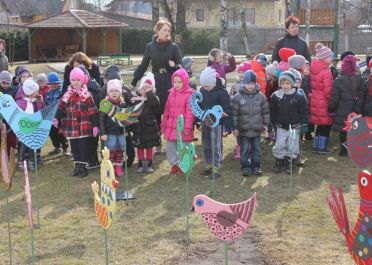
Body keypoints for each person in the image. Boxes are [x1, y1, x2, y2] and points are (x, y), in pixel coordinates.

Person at [131, 19, 182, 154]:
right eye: (164, 30)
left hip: (171, 83)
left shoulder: (174, 47)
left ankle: (174, 141)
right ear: (158, 31)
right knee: (156, 112)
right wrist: (134, 80)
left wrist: (174, 66)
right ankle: (157, 142)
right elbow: (143, 65)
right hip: (155, 83)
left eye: (168, 31)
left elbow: (181, 67)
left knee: (171, 113)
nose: (166, 33)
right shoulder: (150, 47)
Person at [54, 67, 98, 178]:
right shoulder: (67, 94)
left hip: (83, 126)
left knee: (83, 147)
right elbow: (61, 108)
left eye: (78, 80)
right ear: (70, 80)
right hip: (71, 127)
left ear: (82, 80)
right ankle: (77, 166)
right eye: (73, 80)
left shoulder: (87, 94)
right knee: (74, 148)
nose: (76, 82)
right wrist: (56, 118)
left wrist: (95, 126)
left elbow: (93, 111)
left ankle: (83, 167)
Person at [232, 70, 270, 176]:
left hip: (257, 130)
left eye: (252, 83)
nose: (250, 86)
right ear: (243, 83)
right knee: (244, 150)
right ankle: (245, 167)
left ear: (255, 83)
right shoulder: (237, 97)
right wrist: (235, 127)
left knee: (257, 150)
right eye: (248, 83)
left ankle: (256, 167)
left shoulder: (261, 97)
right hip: (243, 130)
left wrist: (266, 125)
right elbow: (234, 114)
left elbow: (265, 112)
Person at [270, 71, 308, 174]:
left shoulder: (298, 97)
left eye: (287, 83)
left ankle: (289, 162)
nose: (284, 86)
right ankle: (279, 160)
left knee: (292, 145)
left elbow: (304, 111)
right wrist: (272, 124)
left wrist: (304, 124)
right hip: (280, 125)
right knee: (280, 144)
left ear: (292, 84)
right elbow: (272, 112)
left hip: (294, 126)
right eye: (282, 83)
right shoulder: (275, 96)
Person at [199, 67, 232, 179]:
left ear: (214, 83)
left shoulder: (222, 93)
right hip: (205, 122)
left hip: (217, 124)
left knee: (216, 145)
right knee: (206, 144)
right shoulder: (202, 91)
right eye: (203, 86)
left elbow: (227, 109)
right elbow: (199, 107)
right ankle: (209, 164)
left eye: (207, 86)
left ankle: (216, 166)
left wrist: (228, 126)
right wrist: (198, 121)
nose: (205, 88)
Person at [100, 64, 136, 167]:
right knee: (125, 139)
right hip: (123, 121)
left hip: (110, 123)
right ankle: (130, 158)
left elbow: (101, 108)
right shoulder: (125, 87)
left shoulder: (104, 89)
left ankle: (106, 160)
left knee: (109, 142)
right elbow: (131, 104)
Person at [161, 68, 195, 174]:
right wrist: (164, 125)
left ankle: (184, 164)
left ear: (185, 81)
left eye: (179, 82)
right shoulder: (171, 94)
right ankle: (175, 164)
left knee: (184, 147)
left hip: (183, 127)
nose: (177, 84)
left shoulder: (189, 94)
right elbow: (167, 111)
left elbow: (190, 112)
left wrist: (188, 127)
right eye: (175, 82)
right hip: (171, 127)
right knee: (171, 146)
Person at [329, 54, 363, 157]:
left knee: (343, 130)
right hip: (356, 110)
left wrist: (331, 108)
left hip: (342, 110)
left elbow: (334, 97)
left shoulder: (339, 80)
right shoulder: (359, 78)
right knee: (354, 130)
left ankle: (343, 150)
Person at [131, 73, 161, 173]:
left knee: (149, 147)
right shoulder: (135, 99)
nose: (145, 90)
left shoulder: (153, 98)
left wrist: (149, 94)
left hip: (150, 127)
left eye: (148, 88)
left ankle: (148, 164)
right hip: (138, 127)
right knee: (140, 147)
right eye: (144, 87)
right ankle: (140, 164)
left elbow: (156, 106)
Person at [99, 79, 128, 177]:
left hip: (120, 131)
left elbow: (125, 119)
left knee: (120, 148)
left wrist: (126, 130)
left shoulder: (123, 104)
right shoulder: (105, 104)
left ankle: (118, 165)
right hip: (109, 132)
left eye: (116, 91)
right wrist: (103, 133)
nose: (114, 93)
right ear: (108, 92)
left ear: (120, 92)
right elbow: (101, 120)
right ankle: (109, 167)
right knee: (111, 148)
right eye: (111, 91)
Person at [310, 43, 334, 154]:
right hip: (324, 101)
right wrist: (332, 101)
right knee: (326, 124)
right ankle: (322, 147)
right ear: (324, 58)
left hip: (315, 100)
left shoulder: (314, 68)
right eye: (330, 56)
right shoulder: (326, 71)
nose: (332, 58)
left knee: (320, 124)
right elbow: (328, 90)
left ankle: (316, 146)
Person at [16, 79, 45, 171]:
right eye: (35, 92)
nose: (37, 93)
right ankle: (20, 162)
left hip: (33, 127)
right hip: (23, 128)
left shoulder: (34, 101)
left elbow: (40, 112)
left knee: (32, 145)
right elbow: (17, 115)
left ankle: (32, 162)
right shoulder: (21, 103)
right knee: (23, 145)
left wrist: (40, 101)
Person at [230, 61, 252, 160]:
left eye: (244, 72)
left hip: (249, 115)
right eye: (240, 72)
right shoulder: (235, 86)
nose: (241, 75)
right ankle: (239, 149)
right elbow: (231, 98)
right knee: (238, 132)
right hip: (238, 114)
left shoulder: (253, 86)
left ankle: (250, 148)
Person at [45, 72, 68, 156]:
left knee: (61, 133)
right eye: (51, 84)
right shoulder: (48, 93)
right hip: (51, 117)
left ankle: (65, 148)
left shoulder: (62, 92)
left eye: (55, 83)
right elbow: (46, 104)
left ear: (58, 82)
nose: (53, 85)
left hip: (60, 116)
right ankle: (57, 147)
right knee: (52, 133)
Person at [0, 70, 17, 154]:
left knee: (11, 135)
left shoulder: (14, 89)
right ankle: (3, 151)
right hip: (1, 117)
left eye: (8, 83)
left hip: (11, 117)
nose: (6, 85)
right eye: (4, 83)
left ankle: (12, 151)